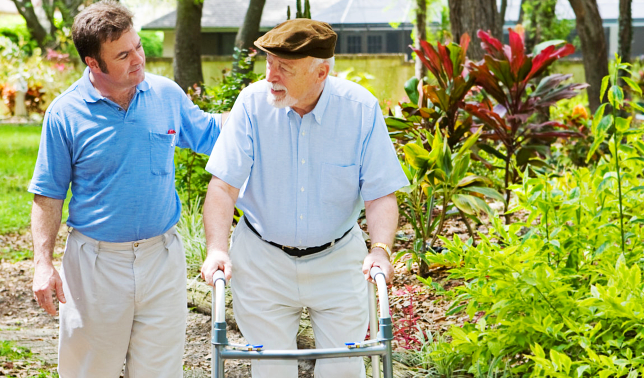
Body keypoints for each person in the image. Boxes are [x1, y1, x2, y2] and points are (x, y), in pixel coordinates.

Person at [200, 19, 407, 377]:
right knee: (271, 370)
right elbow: (223, 186)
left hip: (338, 260)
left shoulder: (359, 109)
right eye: (269, 63)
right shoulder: (252, 104)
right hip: (263, 259)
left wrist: (380, 249)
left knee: (343, 370)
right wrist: (217, 248)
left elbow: (380, 194)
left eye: (285, 68)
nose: (271, 76)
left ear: (321, 72)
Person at [27, 2, 225, 377]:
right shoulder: (65, 113)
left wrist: (260, 107)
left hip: (162, 257)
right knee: (90, 372)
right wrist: (42, 263)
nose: (138, 59)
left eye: (138, 46)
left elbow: (213, 134)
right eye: (123, 54)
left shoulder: (165, 94)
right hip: (96, 266)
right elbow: (48, 195)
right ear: (93, 63)